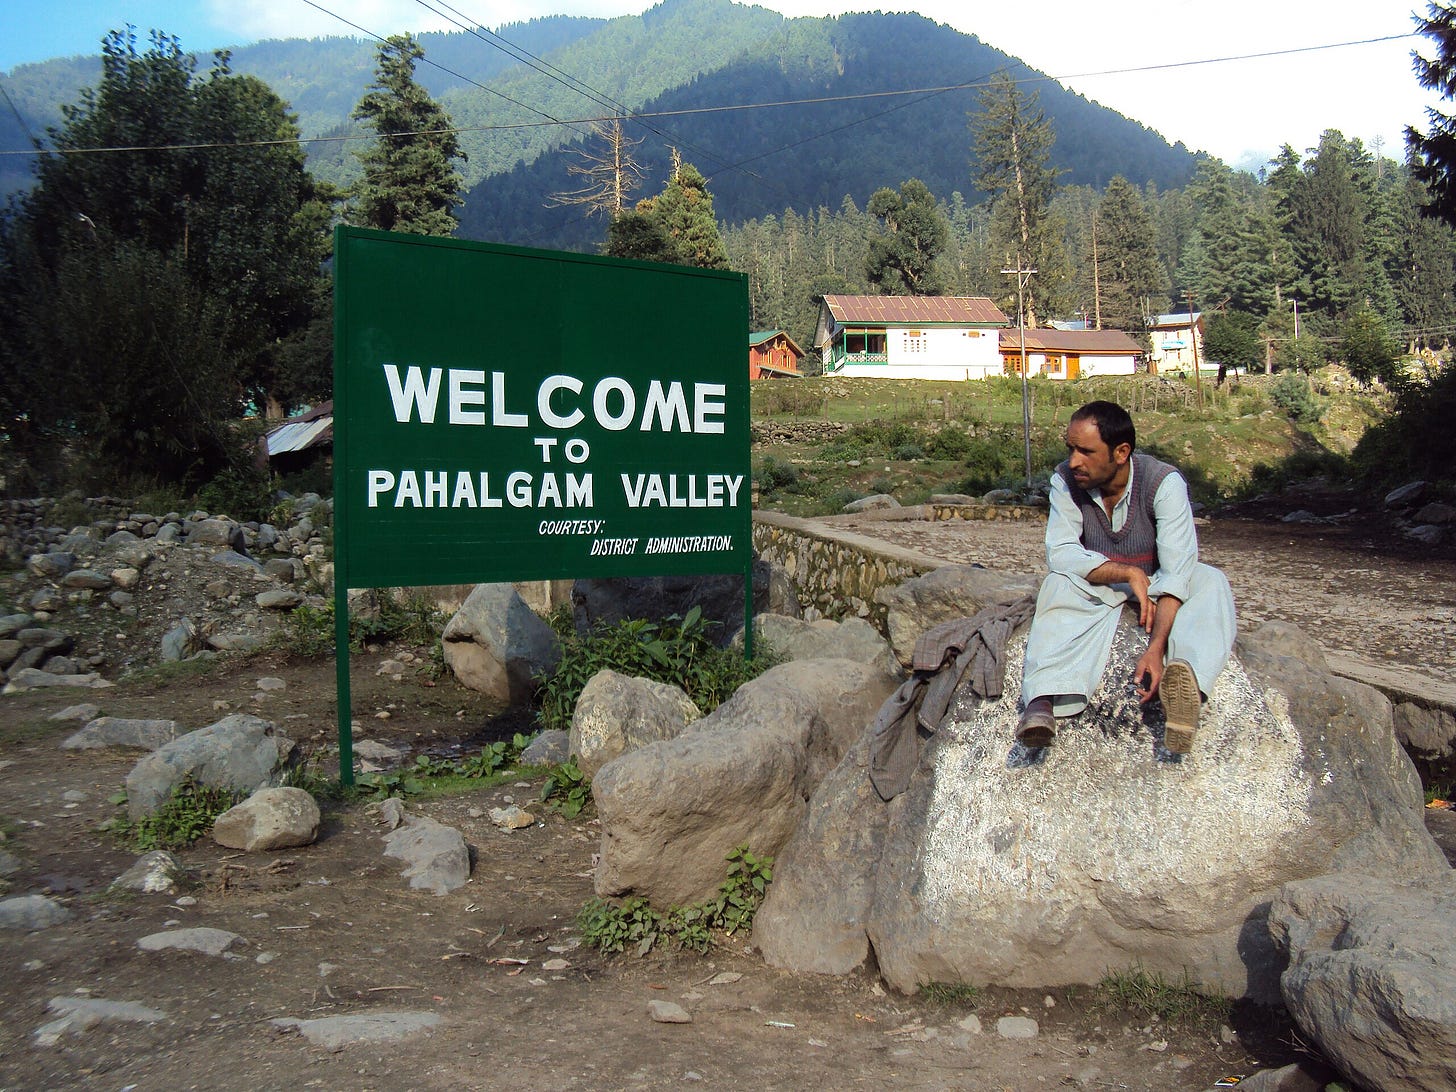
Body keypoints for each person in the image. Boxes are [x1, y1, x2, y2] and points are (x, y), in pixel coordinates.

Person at [1016, 400, 1236, 754]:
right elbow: (1062, 552)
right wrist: (1127, 572)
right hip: (1102, 583)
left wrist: (1156, 648)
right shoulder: (1065, 480)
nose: (1074, 461)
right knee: (1056, 583)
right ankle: (1041, 701)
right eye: (1071, 449)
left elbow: (1177, 569)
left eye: (1086, 452)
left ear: (1121, 452)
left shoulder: (1163, 483)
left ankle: (1186, 692)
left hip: (1158, 583)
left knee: (1210, 581)